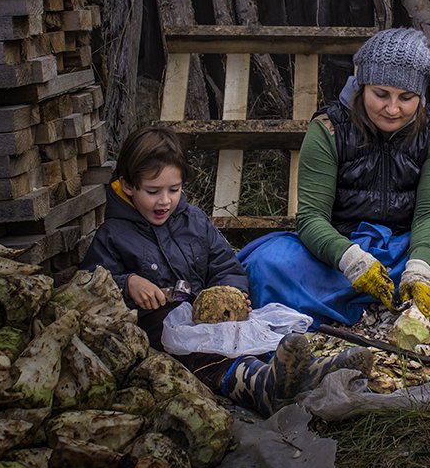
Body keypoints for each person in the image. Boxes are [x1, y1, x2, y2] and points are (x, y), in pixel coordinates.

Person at [238, 27, 430, 327]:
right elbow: (311, 219)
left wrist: (419, 268)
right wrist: (351, 260)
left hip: (409, 245)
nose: (392, 109)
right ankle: (373, 301)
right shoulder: (328, 130)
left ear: (421, 95)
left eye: (406, 97)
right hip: (339, 252)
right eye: (380, 94)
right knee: (267, 265)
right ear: (362, 85)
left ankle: (393, 296)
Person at [80, 125, 372, 417]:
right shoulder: (113, 234)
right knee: (204, 354)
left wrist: (233, 293)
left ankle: (310, 371)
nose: (165, 201)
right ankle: (260, 387)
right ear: (129, 186)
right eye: (153, 192)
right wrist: (127, 283)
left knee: (250, 331)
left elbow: (224, 264)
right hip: (161, 335)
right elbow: (88, 285)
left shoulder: (193, 221)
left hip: (206, 320)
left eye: (174, 189)